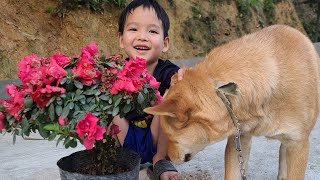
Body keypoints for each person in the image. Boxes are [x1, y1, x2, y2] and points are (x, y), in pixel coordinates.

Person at [110, 0, 182, 179]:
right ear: (121, 39)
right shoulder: (115, 70)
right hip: (123, 134)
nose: (142, 37)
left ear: (165, 43)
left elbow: (176, 75)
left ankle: (160, 160)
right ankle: (112, 157)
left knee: (171, 97)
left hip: (157, 139)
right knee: (102, 96)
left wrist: (179, 79)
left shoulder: (165, 71)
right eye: (134, 29)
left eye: (152, 31)